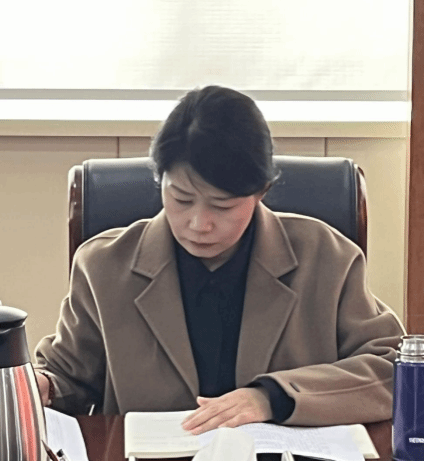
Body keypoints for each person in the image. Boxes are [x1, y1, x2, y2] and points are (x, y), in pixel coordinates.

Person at [34, 85, 405, 431]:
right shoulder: (103, 266)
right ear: (160, 180)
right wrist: (43, 385)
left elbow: (396, 368)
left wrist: (273, 398)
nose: (200, 224)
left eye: (222, 206)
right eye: (181, 198)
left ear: (261, 190)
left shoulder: (326, 257)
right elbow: (69, 377)